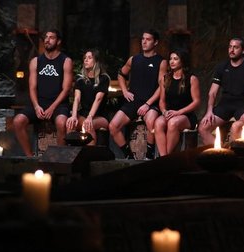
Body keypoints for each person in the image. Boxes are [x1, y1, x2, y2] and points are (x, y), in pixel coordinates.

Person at [13, 29, 73, 157]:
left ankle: (60, 158)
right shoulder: (35, 61)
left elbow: (66, 89)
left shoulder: (66, 61)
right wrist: (36, 106)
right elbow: (32, 87)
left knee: (61, 123)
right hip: (39, 103)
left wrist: (52, 108)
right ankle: (30, 157)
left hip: (58, 104)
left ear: (58, 41)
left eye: (51, 37)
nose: (47, 40)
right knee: (18, 121)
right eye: (46, 37)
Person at [108, 29, 167, 159]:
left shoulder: (161, 62)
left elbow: (162, 86)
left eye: (148, 39)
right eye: (143, 39)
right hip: (134, 101)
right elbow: (121, 74)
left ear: (155, 42)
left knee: (151, 121)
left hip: (151, 102)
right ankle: (128, 155)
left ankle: (149, 155)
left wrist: (148, 104)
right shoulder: (134, 59)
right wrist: (125, 91)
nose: (144, 42)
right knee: (113, 126)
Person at [199, 37, 244, 145]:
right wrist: (209, 111)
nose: (231, 50)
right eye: (230, 47)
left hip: (243, 104)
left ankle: (233, 153)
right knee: (203, 127)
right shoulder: (222, 67)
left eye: (235, 47)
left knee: (237, 127)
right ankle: (221, 151)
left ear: (243, 50)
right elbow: (212, 92)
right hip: (225, 104)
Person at [154, 49, 200, 156]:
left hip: (186, 115)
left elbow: (196, 102)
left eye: (175, 59)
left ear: (182, 61)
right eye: (170, 59)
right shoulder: (165, 79)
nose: (172, 61)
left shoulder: (191, 79)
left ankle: (166, 157)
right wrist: (164, 111)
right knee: (158, 123)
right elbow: (162, 100)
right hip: (170, 113)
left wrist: (179, 112)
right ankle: (164, 157)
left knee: (173, 123)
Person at [66, 49, 110, 144]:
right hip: (83, 113)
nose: (86, 60)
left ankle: (91, 152)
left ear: (96, 61)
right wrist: (74, 116)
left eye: (89, 58)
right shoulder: (80, 79)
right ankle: (71, 152)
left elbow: (98, 99)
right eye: (85, 58)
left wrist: (90, 117)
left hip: (100, 115)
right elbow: (77, 98)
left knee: (88, 126)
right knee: (70, 124)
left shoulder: (104, 78)